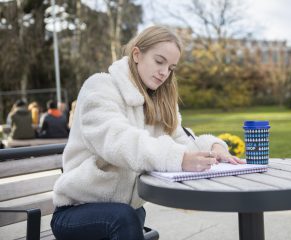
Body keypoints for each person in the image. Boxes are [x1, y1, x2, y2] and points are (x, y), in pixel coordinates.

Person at [50, 25, 245, 240]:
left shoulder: (158, 101)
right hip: (76, 211)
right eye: (159, 61)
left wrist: (212, 148)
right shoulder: (99, 88)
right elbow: (119, 141)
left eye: (171, 67)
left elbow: (180, 140)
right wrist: (179, 158)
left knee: (132, 214)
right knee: (124, 217)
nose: (164, 72)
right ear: (137, 54)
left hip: (125, 212)